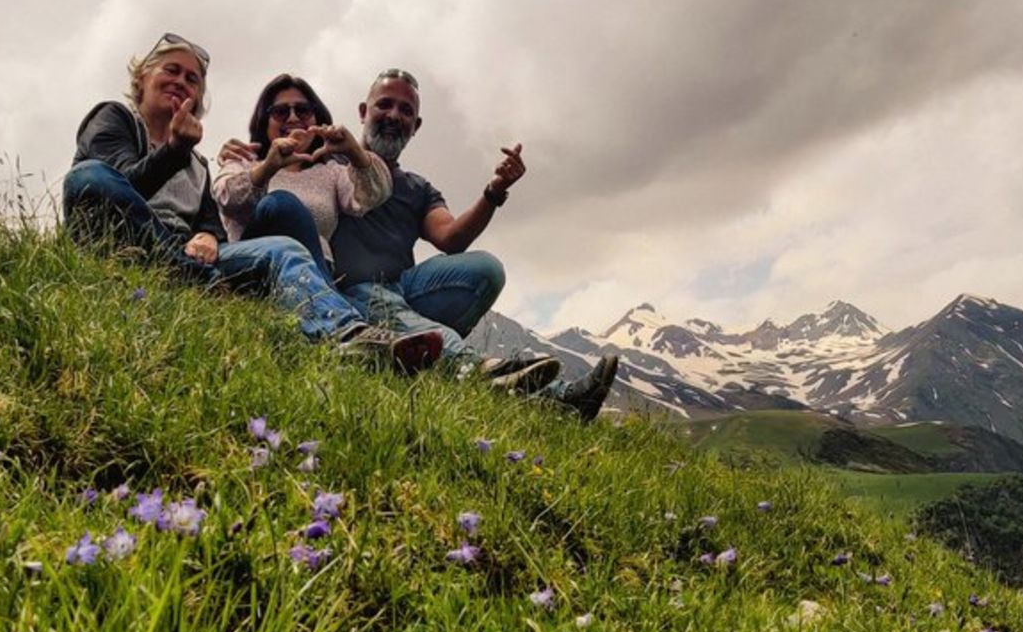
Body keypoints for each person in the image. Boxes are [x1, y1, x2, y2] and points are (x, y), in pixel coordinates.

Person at [226, 67, 618, 419]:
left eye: (405, 110)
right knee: (398, 311)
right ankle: (537, 389)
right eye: (385, 105)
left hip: (402, 288)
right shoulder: (328, 164)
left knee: (484, 270)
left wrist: (494, 191)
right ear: (363, 111)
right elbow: (263, 186)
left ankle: (420, 349)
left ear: (417, 124)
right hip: (350, 289)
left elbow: (451, 238)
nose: (394, 116)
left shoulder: (414, 187)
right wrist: (253, 156)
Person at [62, 33, 442, 373]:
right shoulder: (117, 118)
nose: (181, 81)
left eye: (191, 79)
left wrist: (207, 237)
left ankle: (351, 336)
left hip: (187, 260)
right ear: (142, 78)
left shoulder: (197, 163)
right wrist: (178, 150)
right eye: (171, 71)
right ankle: (194, 278)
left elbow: (210, 221)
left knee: (284, 248)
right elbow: (116, 188)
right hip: (128, 245)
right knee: (88, 176)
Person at [213, 73, 391, 283]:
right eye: (280, 112)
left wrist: (355, 152)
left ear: (317, 118)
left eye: (303, 111)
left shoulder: (330, 172)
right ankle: (334, 310)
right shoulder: (242, 161)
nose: (293, 118)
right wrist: (267, 168)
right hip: (254, 268)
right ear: (264, 120)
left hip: (316, 270)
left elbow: (373, 195)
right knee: (282, 204)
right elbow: (226, 199)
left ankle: (326, 305)